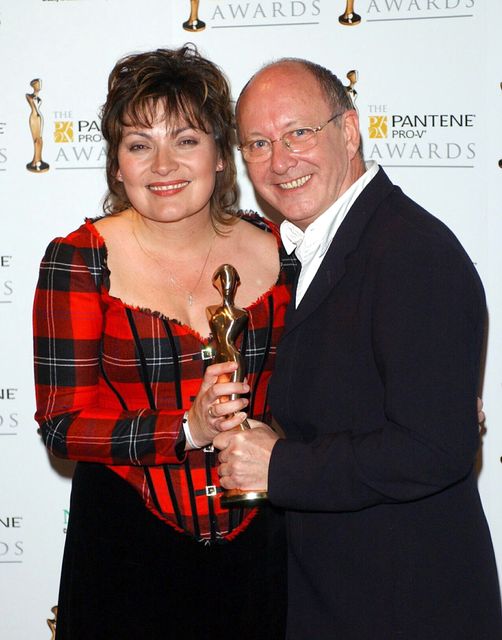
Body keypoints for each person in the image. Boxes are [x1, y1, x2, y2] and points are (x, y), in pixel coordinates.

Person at [214, 58, 502, 638]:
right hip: (340, 597)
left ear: (349, 131)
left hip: (406, 608)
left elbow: (436, 447)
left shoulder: (412, 254)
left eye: (299, 133)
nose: (281, 160)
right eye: (259, 143)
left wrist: (282, 464)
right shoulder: (307, 251)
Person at [33, 46, 296, 639]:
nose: (163, 164)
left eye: (186, 139)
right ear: (117, 165)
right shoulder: (78, 260)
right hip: (125, 552)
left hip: (260, 548)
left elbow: (325, 379)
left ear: (220, 157)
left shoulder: (282, 251)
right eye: (138, 143)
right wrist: (185, 430)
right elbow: (60, 424)